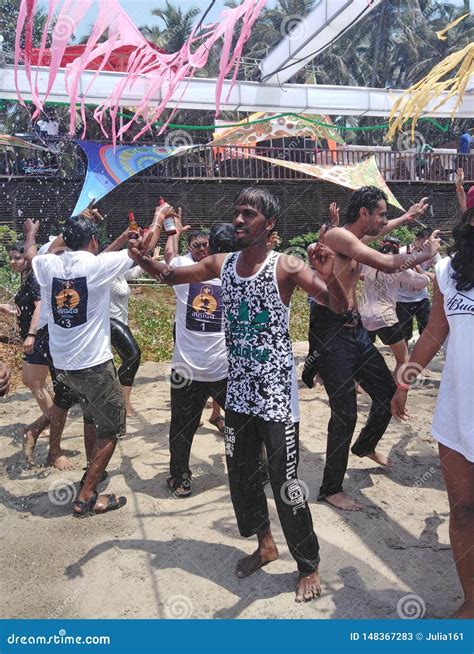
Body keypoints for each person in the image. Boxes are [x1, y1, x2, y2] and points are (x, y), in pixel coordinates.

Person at [128, 186, 348, 602]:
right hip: (240, 392)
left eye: (249, 214)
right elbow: (173, 275)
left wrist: (332, 273)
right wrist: (143, 259)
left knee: (285, 482)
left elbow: (339, 306)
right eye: (237, 213)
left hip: (277, 397)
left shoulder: (287, 266)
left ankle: (308, 563)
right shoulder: (221, 264)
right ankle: (264, 544)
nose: (239, 220)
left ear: (270, 225)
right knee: (242, 475)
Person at [311, 187, 440, 511]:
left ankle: (365, 446)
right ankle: (331, 488)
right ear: (364, 213)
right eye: (380, 213)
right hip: (331, 333)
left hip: (354, 331)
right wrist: (424, 254)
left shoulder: (352, 240)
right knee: (346, 412)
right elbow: (384, 262)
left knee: (385, 394)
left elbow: (379, 233)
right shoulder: (339, 236)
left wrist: (406, 218)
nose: (383, 220)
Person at [24, 215, 142, 516]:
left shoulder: (51, 265)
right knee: (111, 429)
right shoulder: (97, 266)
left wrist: (32, 233)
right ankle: (86, 496)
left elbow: (32, 255)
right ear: (93, 241)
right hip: (94, 365)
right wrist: (157, 219)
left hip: (63, 365)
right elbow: (139, 250)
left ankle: (94, 472)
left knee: (91, 416)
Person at [391, 195, 474, 619]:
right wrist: (404, 381)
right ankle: (471, 600)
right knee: (462, 512)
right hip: (457, 415)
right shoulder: (449, 272)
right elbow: (434, 332)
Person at [159, 216, 230, 497]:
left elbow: (164, 263)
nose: (202, 249)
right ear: (191, 247)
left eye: (206, 245)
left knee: (239, 422)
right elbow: (168, 258)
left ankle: (253, 470)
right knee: (183, 426)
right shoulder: (187, 269)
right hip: (195, 368)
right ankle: (180, 476)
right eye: (197, 245)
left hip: (217, 367)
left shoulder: (224, 272)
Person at [359, 236, 432, 376]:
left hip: (364, 316)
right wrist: (421, 270)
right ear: (398, 251)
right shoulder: (398, 268)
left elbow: (359, 274)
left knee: (361, 356)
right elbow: (422, 282)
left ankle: (358, 386)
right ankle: (397, 391)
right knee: (403, 360)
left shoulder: (368, 263)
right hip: (385, 317)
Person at [0, 242, 54, 425]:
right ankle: (55, 414)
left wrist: (31, 334)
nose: (13, 261)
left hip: (39, 337)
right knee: (36, 381)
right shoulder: (26, 276)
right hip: (35, 336)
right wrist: (12, 311)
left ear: (27, 258)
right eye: (11, 258)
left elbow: (40, 306)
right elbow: (30, 308)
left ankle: (53, 421)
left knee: (33, 381)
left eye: (18, 258)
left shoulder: (34, 278)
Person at [396, 227, 442, 345]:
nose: (428, 245)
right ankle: (404, 354)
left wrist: (422, 275)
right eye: (425, 241)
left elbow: (440, 274)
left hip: (422, 296)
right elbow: (394, 273)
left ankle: (424, 350)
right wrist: (416, 278)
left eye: (430, 242)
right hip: (402, 297)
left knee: (426, 326)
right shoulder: (402, 251)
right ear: (417, 239)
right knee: (404, 330)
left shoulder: (433, 253)